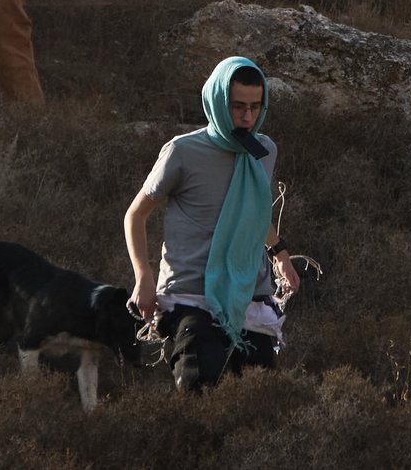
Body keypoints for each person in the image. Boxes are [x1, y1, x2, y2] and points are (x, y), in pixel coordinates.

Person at [123, 56, 301, 392]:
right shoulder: (182, 151)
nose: (247, 117)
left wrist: (280, 255)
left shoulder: (263, 150)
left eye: (255, 107)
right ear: (217, 101)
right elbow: (135, 215)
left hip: (248, 294)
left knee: (262, 394)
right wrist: (143, 278)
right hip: (190, 293)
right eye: (238, 107)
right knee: (202, 380)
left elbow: (253, 213)